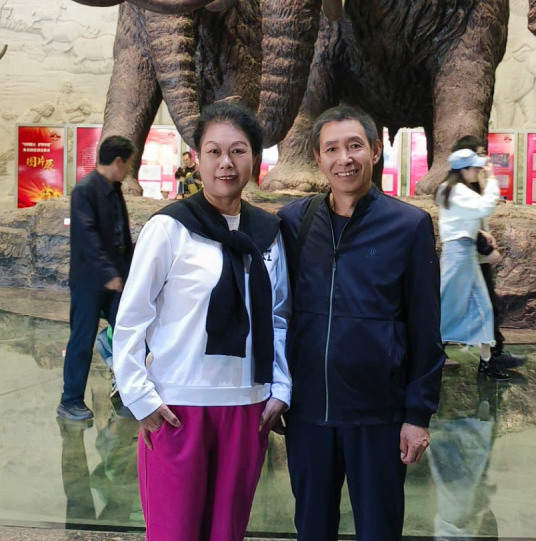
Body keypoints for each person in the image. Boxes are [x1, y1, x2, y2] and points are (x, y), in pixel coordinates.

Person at [113, 100, 291, 541]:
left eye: (238, 151)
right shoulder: (169, 228)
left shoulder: (267, 234)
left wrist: (281, 387)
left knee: (227, 532)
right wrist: (139, 397)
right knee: (173, 531)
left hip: (247, 405)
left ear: (255, 158)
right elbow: (132, 317)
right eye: (214, 151)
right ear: (196, 158)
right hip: (177, 406)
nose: (225, 163)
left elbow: (279, 316)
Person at [278, 105, 444, 541]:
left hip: (378, 414)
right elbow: (276, 313)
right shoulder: (294, 222)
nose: (344, 159)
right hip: (309, 412)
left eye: (354, 146)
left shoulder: (408, 226)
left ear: (375, 150)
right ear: (318, 158)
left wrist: (418, 414)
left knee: (379, 530)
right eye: (331, 149)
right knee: (312, 528)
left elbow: (425, 327)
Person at [57, 135, 136, 422]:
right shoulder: (85, 190)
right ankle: (70, 401)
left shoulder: (114, 189)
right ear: (118, 161)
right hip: (90, 281)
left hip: (116, 279)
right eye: (128, 164)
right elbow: (87, 236)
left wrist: (129, 272)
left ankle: (130, 391)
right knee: (82, 339)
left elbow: (122, 236)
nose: (128, 170)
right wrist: (108, 274)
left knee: (130, 334)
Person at [450, 135, 526, 370]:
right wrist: (485, 247)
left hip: (473, 259)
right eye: (480, 153)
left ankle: (492, 355)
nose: (485, 158)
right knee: (479, 308)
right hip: (468, 260)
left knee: (481, 308)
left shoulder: (469, 183)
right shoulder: (460, 188)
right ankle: (492, 356)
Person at [436, 147, 509, 380]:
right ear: (464, 170)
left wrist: (479, 232)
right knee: (446, 309)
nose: (478, 171)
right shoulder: (458, 191)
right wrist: (492, 179)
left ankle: (486, 363)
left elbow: (457, 220)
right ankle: (423, 356)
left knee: (481, 309)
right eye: (475, 168)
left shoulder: (448, 189)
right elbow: (485, 206)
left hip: (461, 255)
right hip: (460, 257)